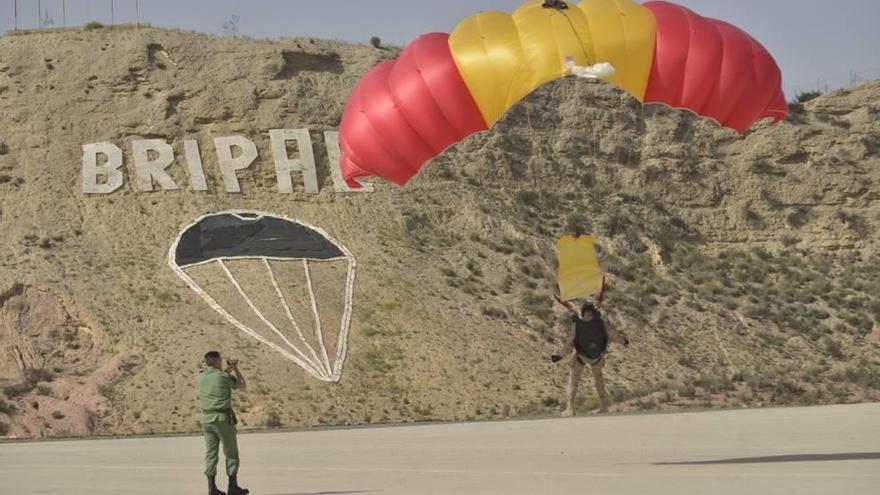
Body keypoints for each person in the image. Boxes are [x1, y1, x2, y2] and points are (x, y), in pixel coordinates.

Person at [551, 301, 629, 416]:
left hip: (581, 357)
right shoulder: (601, 323)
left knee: (574, 381)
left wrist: (560, 355)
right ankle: (604, 406)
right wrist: (624, 341)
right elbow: (613, 335)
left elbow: (570, 344)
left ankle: (570, 408)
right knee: (599, 380)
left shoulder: (578, 325)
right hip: (597, 357)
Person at [198, 351, 249, 495]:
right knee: (231, 453)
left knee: (211, 454)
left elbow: (218, 379)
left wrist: (228, 370)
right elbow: (242, 385)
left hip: (206, 420)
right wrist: (236, 369)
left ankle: (211, 488)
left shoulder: (201, 376)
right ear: (217, 361)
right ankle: (233, 486)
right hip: (222, 419)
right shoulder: (223, 376)